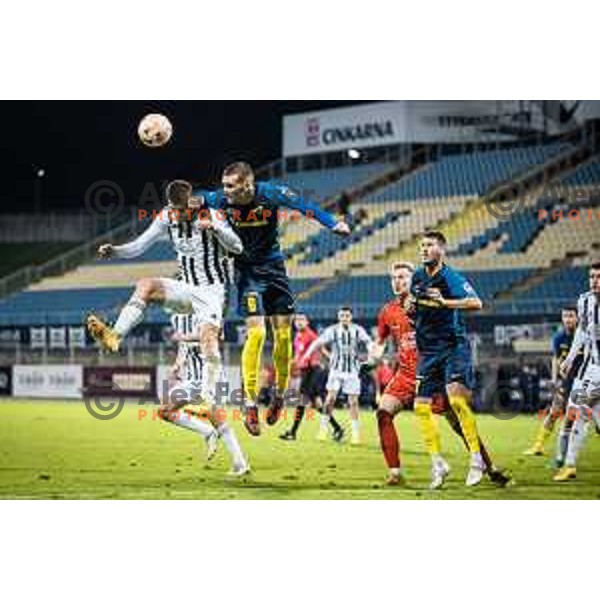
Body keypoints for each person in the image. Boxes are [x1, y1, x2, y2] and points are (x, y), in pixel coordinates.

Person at [199, 162, 350, 436]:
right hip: (247, 274)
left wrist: (332, 223)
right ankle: (249, 403)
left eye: (231, 185)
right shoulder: (220, 199)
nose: (225, 191)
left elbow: (306, 206)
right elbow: (194, 197)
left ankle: (280, 396)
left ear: (248, 184)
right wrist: (181, 202)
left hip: (275, 271)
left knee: (282, 337)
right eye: (224, 185)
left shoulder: (271, 193)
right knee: (256, 335)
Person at [86, 180, 241, 406]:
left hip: (213, 292)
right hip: (187, 288)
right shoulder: (167, 216)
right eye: (174, 209)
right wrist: (116, 251)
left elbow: (237, 247)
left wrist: (215, 228)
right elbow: (140, 245)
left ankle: (212, 395)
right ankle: (114, 336)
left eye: (181, 210)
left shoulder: (212, 214)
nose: (177, 215)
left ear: (190, 202)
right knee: (145, 285)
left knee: (208, 339)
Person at [370, 261, 511, 487]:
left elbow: (452, 323)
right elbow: (380, 341)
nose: (398, 282)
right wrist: (373, 358)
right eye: (394, 278)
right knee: (383, 413)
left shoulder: (429, 303)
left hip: (432, 371)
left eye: (403, 277)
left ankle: (488, 466)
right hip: (405, 374)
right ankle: (395, 472)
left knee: (456, 422)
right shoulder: (387, 311)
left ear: (413, 280)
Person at [411, 231, 485, 489]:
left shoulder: (451, 277)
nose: (424, 249)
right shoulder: (418, 277)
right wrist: (412, 309)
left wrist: (445, 302)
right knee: (420, 407)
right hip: (428, 352)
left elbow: (477, 303)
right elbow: (416, 309)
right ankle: (438, 463)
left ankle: (477, 460)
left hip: (453, 346)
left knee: (456, 401)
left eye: (429, 245)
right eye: (422, 245)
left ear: (441, 249)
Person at [159, 311, 250, 477]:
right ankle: (207, 432)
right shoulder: (178, 317)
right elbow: (183, 347)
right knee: (165, 411)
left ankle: (240, 463)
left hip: (212, 376)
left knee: (217, 417)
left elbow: (216, 336)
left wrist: (183, 337)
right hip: (192, 379)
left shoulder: (210, 310)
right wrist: (177, 365)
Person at [553, 262, 600, 481]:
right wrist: (570, 359)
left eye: (599, 277)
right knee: (575, 409)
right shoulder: (585, 300)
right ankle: (567, 462)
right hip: (587, 369)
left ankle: (570, 464)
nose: (595, 281)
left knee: (582, 410)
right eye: (592, 277)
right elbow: (582, 331)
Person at [301, 307, 372, 445]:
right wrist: (306, 355)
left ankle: (355, 435)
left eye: (347, 315)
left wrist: (371, 354)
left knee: (353, 402)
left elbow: (368, 342)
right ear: (339, 317)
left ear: (351, 317)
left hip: (352, 370)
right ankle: (323, 430)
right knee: (330, 399)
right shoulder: (333, 330)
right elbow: (317, 342)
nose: (344, 318)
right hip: (336, 370)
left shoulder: (358, 330)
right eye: (342, 315)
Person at [523, 307, 583, 456]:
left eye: (571, 316)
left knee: (585, 416)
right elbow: (556, 359)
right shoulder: (558, 338)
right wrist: (555, 379)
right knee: (554, 412)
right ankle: (538, 446)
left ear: (577, 318)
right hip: (566, 381)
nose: (568, 319)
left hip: (584, 382)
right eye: (565, 316)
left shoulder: (584, 336)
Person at [279, 313, 343, 441]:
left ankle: (293, 432)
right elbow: (299, 354)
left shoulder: (311, 335)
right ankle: (337, 428)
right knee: (316, 404)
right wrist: (294, 363)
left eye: (302, 319)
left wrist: (332, 359)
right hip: (306, 371)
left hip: (313, 370)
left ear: (307, 322)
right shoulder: (297, 336)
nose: (299, 322)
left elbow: (321, 349)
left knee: (301, 401)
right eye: (297, 320)